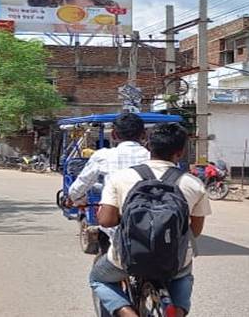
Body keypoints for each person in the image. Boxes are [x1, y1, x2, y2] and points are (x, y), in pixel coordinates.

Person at [91, 123, 210, 317]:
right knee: (184, 275)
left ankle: (127, 313)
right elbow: (194, 231)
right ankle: (177, 311)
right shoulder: (194, 184)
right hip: (173, 259)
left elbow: (106, 221)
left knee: (98, 279)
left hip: (127, 258)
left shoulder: (121, 177)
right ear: (179, 153)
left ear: (148, 146)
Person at [68, 113, 149, 253]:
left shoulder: (103, 156)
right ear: (144, 134)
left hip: (113, 227)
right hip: (150, 225)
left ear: (113, 134)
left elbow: (80, 185)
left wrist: (75, 198)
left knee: (98, 274)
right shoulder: (152, 156)